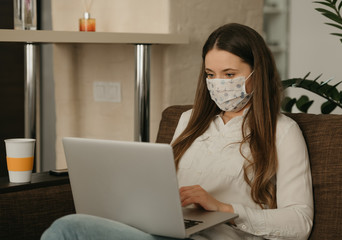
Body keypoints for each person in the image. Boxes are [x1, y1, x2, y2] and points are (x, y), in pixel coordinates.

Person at [41, 23, 313, 240]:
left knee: (70, 228)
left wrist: (224, 208)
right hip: (167, 232)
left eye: (229, 75)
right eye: (210, 74)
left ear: (258, 73)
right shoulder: (188, 121)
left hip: (220, 236)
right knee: (76, 226)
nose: (218, 84)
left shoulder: (283, 132)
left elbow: (300, 222)